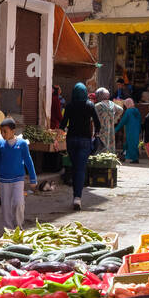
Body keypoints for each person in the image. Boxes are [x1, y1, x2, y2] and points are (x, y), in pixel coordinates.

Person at [61, 82, 101, 210]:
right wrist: (96, 135)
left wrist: (63, 130)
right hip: (85, 141)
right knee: (80, 169)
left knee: (74, 167)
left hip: (71, 140)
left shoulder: (69, 106)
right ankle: (77, 198)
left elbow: (62, 125)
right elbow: (98, 124)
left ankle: (75, 196)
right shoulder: (90, 106)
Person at [0, 118, 37, 231]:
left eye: (5, 131)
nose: (2, 134)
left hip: (18, 179)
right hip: (3, 179)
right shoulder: (0, 143)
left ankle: (19, 227)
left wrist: (33, 179)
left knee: (18, 203)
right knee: (6, 206)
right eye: (1, 131)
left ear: (13, 131)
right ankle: (8, 229)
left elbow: (28, 160)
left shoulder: (22, 144)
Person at [93, 87, 118, 156]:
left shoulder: (98, 105)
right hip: (110, 127)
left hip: (101, 128)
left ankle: (102, 161)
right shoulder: (112, 104)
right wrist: (114, 119)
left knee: (101, 146)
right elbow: (120, 110)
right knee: (109, 144)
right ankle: (109, 158)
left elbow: (92, 116)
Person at [115, 97, 141, 163]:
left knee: (130, 144)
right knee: (131, 144)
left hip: (130, 130)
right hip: (136, 130)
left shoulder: (128, 111)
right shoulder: (137, 111)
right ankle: (123, 155)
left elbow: (123, 122)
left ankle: (134, 159)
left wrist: (115, 129)